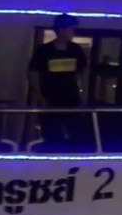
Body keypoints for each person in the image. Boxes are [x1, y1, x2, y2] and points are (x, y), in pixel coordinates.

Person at [28, 14, 89, 151]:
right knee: (51, 134)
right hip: (50, 99)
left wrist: (84, 93)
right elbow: (33, 73)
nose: (73, 33)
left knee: (75, 133)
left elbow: (84, 72)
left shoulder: (76, 50)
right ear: (61, 30)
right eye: (71, 29)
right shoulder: (44, 51)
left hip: (71, 98)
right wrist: (39, 96)